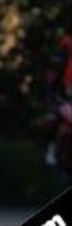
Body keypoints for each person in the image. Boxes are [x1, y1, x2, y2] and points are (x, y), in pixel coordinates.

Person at [43, 33, 72, 169]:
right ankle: (53, 150)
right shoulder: (65, 49)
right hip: (64, 100)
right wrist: (52, 106)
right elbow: (51, 79)